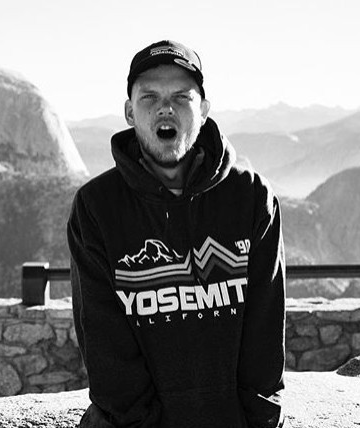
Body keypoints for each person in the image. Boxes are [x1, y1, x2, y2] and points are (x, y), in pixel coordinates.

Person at [67, 40, 285, 428]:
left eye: (181, 97)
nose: (165, 108)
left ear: (203, 110)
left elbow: (265, 335)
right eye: (149, 97)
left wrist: (260, 420)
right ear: (129, 112)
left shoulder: (251, 197)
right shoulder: (96, 207)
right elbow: (105, 346)